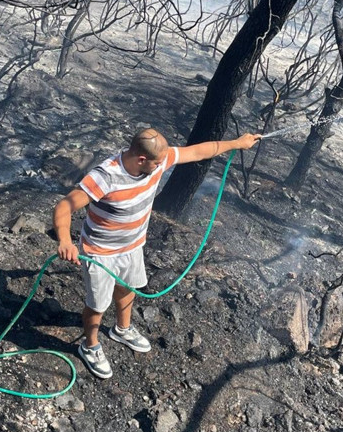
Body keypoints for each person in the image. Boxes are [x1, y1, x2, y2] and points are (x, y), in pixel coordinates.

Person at [53, 127, 261, 379]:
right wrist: (65, 241)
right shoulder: (105, 177)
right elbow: (64, 206)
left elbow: (196, 151)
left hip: (132, 246)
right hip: (100, 252)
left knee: (127, 289)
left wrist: (237, 143)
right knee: (97, 306)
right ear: (141, 159)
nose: (163, 165)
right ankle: (90, 346)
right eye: (158, 162)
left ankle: (122, 329)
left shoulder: (157, 162)